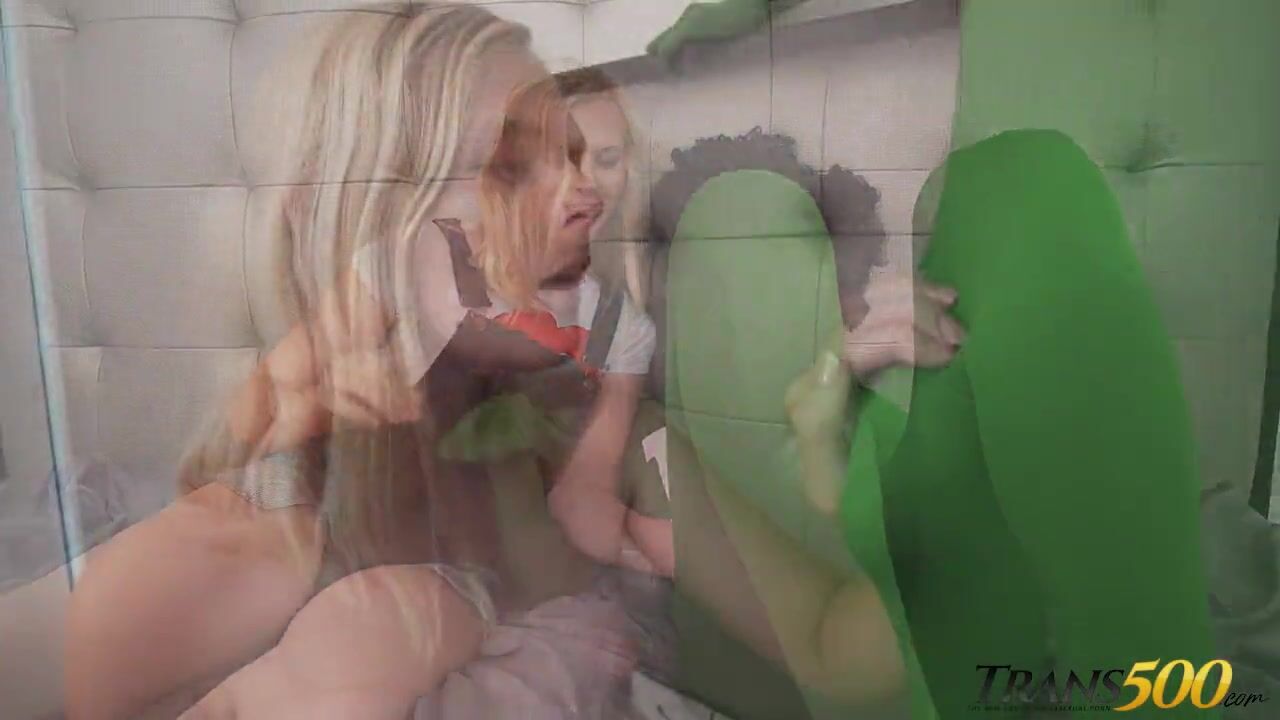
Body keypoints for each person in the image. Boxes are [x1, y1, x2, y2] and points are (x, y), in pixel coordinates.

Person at [53, 5, 649, 719]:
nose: (575, 191)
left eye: (574, 155)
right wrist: (309, 402)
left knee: (369, 630)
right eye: (507, 165)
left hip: (445, 560)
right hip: (312, 511)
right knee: (178, 570)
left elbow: (583, 501)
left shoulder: (602, 333)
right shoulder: (385, 282)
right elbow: (256, 416)